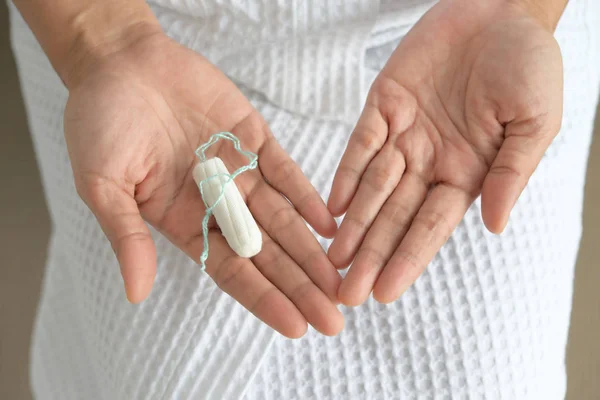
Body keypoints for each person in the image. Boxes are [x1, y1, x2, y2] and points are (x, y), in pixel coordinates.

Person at [7, 0, 599, 398]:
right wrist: (98, 41)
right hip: (140, 39)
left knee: (490, 381)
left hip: (463, 49)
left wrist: (520, 9)